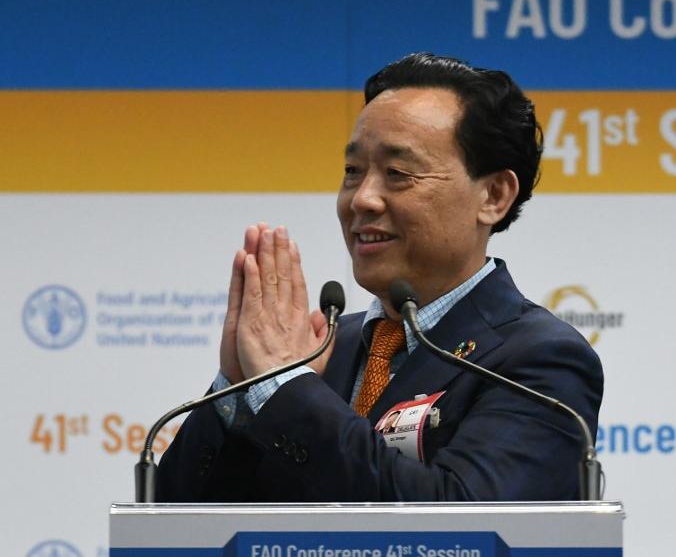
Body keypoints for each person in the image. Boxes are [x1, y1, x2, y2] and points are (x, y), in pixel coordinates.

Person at [157, 53, 603, 502]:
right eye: (353, 172)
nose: (362, 199)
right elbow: (170, 519)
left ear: (493, 195)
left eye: (397, 173)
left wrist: (282, 389)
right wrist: (239, 392)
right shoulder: (317, 351)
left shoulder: (541, 359)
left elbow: (462, 520)